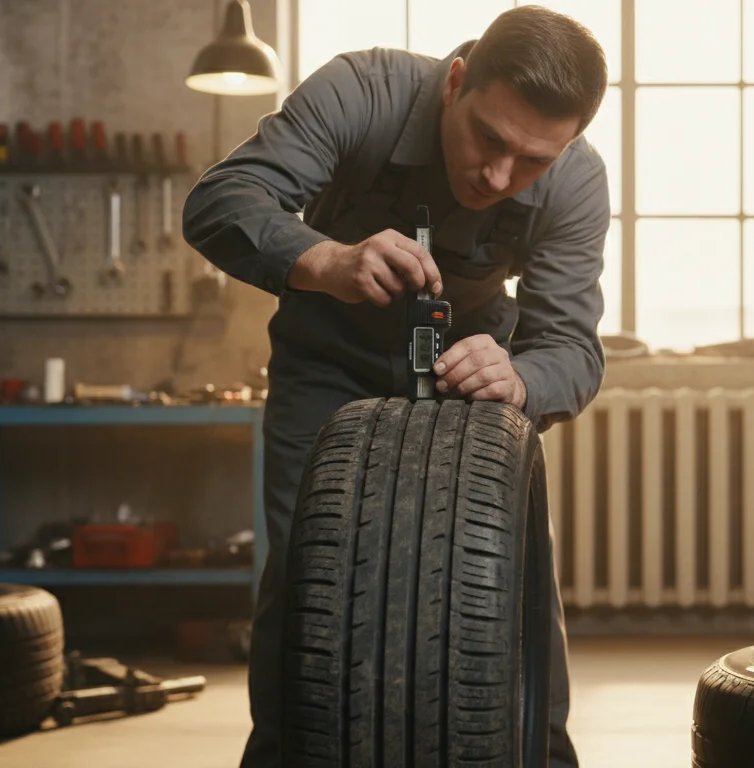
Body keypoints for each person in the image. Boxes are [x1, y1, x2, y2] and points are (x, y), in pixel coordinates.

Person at [181, 7, 610, 767]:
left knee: (511, 568)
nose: (500, 177)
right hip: (327, 356)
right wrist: (324, 261)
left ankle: (544, 755)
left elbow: (572, 347)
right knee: (305, 566)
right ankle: (285, 753)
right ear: (454, 84)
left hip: (472, 376)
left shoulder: (577, 180)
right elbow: (220, 201)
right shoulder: (360, 92)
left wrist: (520, 376)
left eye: (534, 161)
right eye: (491, 140)